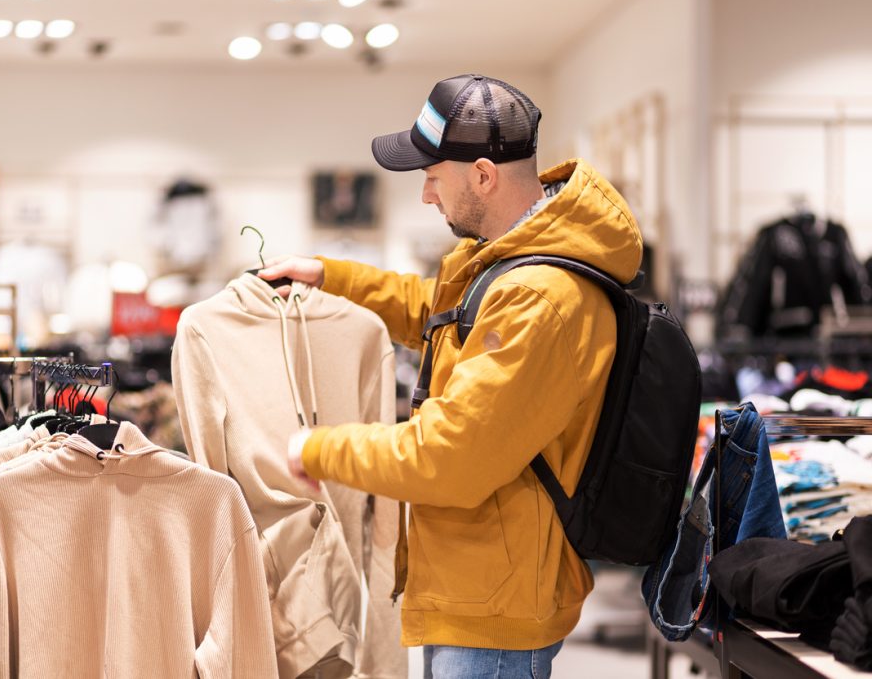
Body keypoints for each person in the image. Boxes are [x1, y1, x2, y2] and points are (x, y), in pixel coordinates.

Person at [260, 73, 643, 679]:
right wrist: (329, 274)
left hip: (494, 605)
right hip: (479, 580)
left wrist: (317, 448)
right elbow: (439, 313)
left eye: (432, 177)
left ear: (483, 175)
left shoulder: (537, 297)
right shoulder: (512, 262)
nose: (426, 197)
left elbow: (448, 455)